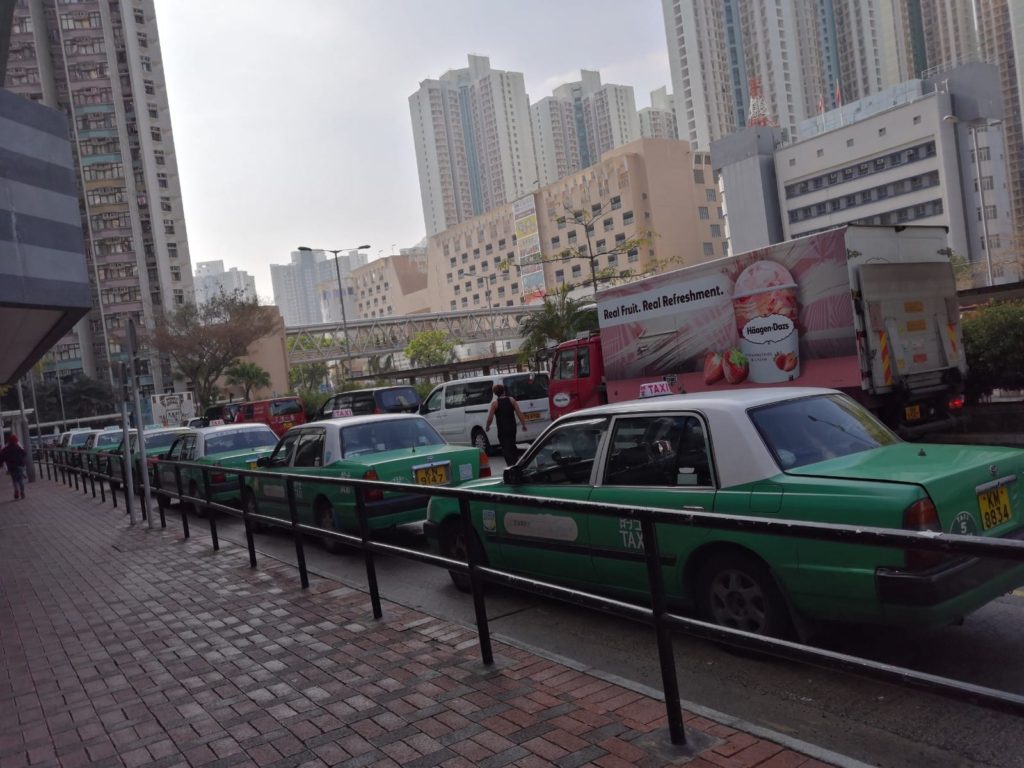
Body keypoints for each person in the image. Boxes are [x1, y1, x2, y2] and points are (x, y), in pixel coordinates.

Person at [485, 384, 527, 465]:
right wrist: (523, 425)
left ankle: (510, 465)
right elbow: (519, 413)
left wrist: (487, 426)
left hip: (502, 430)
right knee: (512, 445)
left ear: (495, 393)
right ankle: (516, 463)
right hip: (512, 428)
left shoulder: (495, 404)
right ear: (504, 390)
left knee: (505, 448)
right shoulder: (511, 400)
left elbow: (490, 418)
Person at [1, 433, 28, 500]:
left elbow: (2, 456)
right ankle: (22, 493)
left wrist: (1, 464)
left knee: (15, 480)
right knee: (20, 480)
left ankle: (16, 490)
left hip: (11, 467)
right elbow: (24, 453)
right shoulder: (18, 447)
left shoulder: (6, 449)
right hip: (19, 465)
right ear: (16, 441)